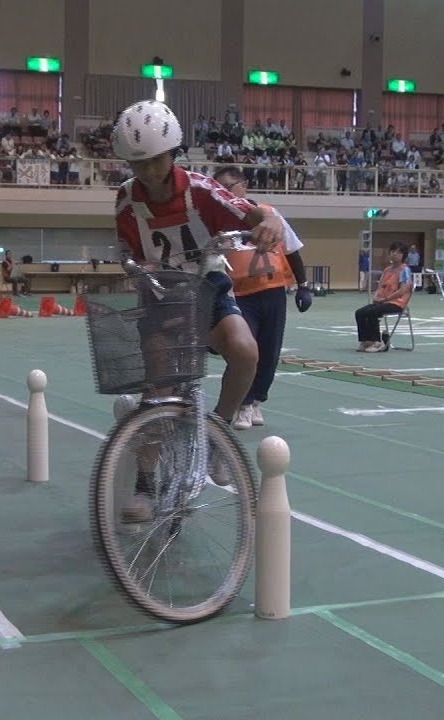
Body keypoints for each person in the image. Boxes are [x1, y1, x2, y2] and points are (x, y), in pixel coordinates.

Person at [109, 99, 291, 523]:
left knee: (245, 351)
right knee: (158, 386)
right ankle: (145, 484)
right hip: (161, 294)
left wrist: (271, 224)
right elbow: (128, 250)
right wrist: (134, 267)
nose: (149, 172)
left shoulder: (202, 192)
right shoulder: (125, 202)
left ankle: (219, 433)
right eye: (138, 164)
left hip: (208, 287)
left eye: (156, 160)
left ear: (172, 152)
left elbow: (256, 213)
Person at [211, 165, 314, 430]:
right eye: (218, 190)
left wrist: (303, 285)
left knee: (270, 352)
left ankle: (256, 400)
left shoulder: (270, 215)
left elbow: (291, 249)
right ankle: (241, 405)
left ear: (243, 186)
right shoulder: (218, 222)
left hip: (273, 292)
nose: (223, 194)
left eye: (228, 188)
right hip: (240, 295)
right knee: (245, 350)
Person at [354, 242, 413, 353]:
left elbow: (402, 291)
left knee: (373, 312)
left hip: (396, 303)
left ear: (403, 255)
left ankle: (378, 342)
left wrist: (385, 299)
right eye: (392, 251)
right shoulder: (387, 270)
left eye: (398, 252)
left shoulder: (405, 270)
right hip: (382, 302)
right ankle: (367, 340)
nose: (395, 254)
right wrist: (376, 296)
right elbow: (380, 287)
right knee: (360, 312)